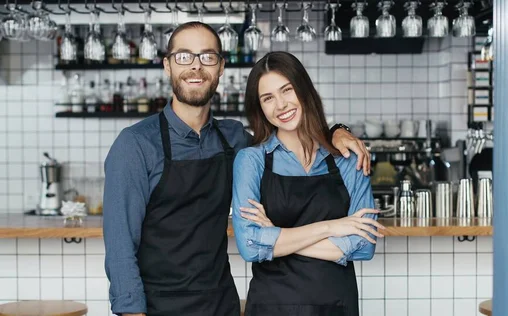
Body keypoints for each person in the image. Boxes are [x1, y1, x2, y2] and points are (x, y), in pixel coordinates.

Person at [102, 22, 371, 316]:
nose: (195, 66)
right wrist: (131, 311)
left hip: (221, 303)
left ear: (220, 68)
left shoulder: (234, 140)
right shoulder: (136, 144)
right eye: (184, 57)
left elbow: (290, 134)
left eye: (207, 57)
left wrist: (335, 131)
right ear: (167, 66)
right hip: (158, 305)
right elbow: (119, 244)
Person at [231, 51, 384, 316]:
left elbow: (363, 245)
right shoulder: (251, 160)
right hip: (273, 307)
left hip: (337, 306)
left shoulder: (348, 158)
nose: (280, 105)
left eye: (287, 90)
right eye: (268, 98)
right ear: (260, 107)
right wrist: (332, 227)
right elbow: (251, 246)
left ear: (304, 90)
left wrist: (278, 235)